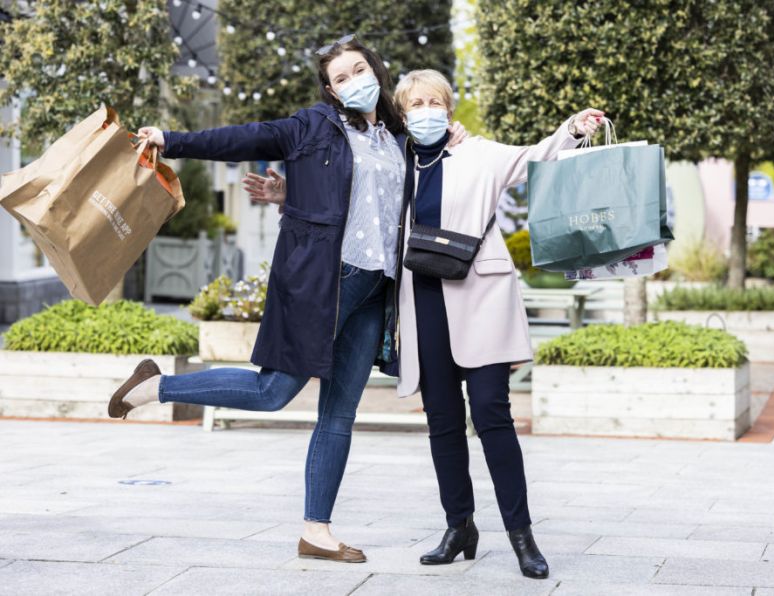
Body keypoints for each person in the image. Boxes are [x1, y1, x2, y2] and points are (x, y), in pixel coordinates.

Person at [109, 36, 466, 563]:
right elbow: (242, 138)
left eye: (359, 69)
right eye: (341, 77)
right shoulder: (313, 126)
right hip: (325, 281)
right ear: (329, 88)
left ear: (376, 70)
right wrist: (170, 138)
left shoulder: (396, 134)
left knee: (340, 415)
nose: (353, 81)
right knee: (274, 392)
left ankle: (315, 532)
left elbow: (377, 196)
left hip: (375, 290)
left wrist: (453, 137)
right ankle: (157, 386)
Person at [392, 69, 603, 579]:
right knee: (441, 422)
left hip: (480, 296)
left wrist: (573, 128)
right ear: (403, 113)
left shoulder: (478, 151)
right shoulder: (395, 161)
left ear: (448, 107)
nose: (426, 109)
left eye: (434, 100)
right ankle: (459, 526)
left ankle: (522, 537)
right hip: (422, 304)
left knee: (491, 414)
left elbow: (537, 156)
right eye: (416, 103)